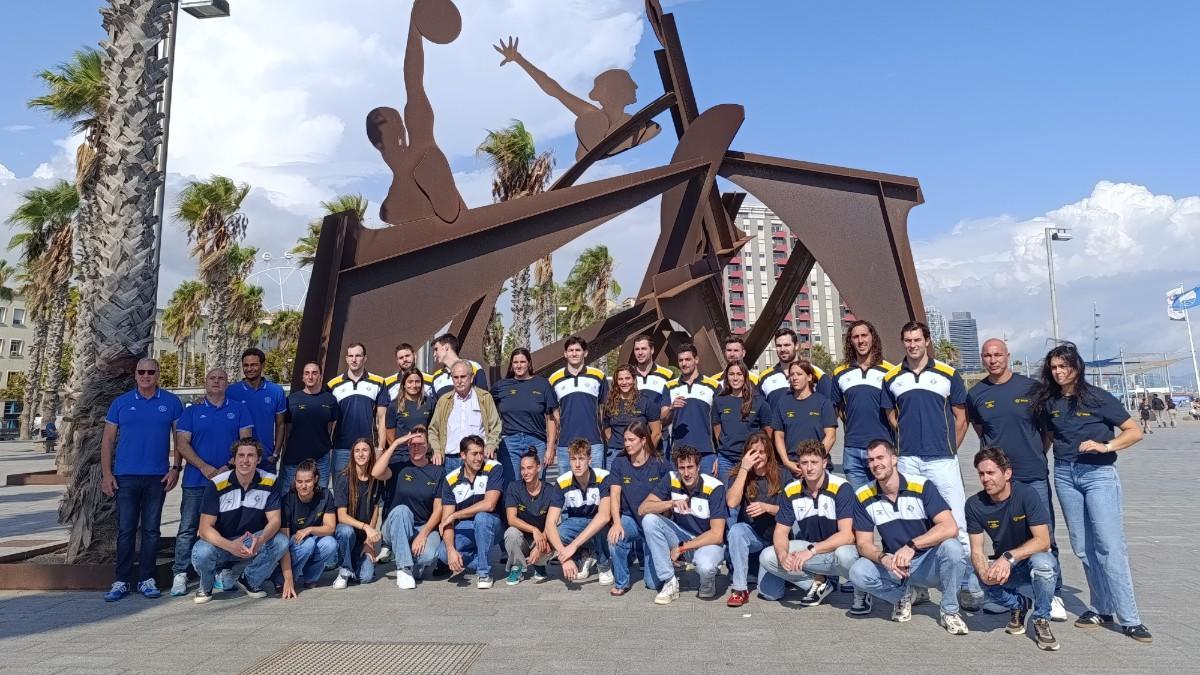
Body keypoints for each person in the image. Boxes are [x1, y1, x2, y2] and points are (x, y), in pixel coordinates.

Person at [1033, 342, 1151, 643]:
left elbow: (1134, 431)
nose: (1059, 372)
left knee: (1110, 547)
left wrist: (1106, 446)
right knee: (1083, 546)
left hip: (1098, 475)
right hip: (1065, 474)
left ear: (1077, 368)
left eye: (1064, 366)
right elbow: (1048, 436)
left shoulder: (1098, 398)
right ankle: (1101, 607)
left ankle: (1130, 618)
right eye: (1054, 367)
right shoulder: (1050, 402)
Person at [882, 321, 981, 610]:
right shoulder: (892, 378)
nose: (913, 345)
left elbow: (961, 418)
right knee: (913, 523)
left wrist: (950, 448)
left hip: (942, 460)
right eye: (908, 340)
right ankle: (917, 585)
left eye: (917, 339)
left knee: (957, 523)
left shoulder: (948, 374)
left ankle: (966, 585)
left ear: (927, 341)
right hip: (909, 459)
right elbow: (890, 414)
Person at [967, 338, 1066, 620]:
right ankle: (1008, 592)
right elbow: (982, 432)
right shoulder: (977, 394)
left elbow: (1046, 432)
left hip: (1031, 473)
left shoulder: (1032, 389)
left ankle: (1053, 594)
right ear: (982, 358)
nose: (993, 360)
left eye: (998, 354)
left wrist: (1034, 454)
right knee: (1003, 536)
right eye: (987, 355)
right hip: (998, 480)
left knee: (1044, 537)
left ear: (1007, 356)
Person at [848, 439, 969, 635]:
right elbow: (863, 545)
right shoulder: (863, 495)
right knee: (858, 572)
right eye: (871, 460)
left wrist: (912, 546)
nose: (875, 464)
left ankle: (950, 611)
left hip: (927, 561)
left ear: (894, 459)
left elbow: (950, 526)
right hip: (895, 564)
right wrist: (883, 558)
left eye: (880, 457)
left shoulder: (921, 486)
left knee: (953, 548)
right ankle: (902, 594)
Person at [493, 36, 660, 161]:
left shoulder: (637, 126)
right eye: (630, 83)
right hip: (592, 143)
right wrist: (519, 59)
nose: (636, 87)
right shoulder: (590, 117)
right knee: (592, 119)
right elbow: (555, 90)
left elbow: (654, 130)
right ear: (614, 90)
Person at [100, 358, 185, 601]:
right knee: (126, 530)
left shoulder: (171, 402)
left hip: (157, 478)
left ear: (158, 374)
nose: (146, 375)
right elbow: (107, 440)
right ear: (135, 375)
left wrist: (175, 469)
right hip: (125, 477)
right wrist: (107, 474)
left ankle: (147, 578)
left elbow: (179, 439)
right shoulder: (121, 403)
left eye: (151, 372)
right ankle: (122, 580)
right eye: (141, 372)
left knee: (151, 531)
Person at [965, 447, 1059, 651]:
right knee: (974, 585)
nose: (985, 479)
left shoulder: (1026, 494)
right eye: (981, 473)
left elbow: (1043, 541)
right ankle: (1019, 604)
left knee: (1043, 564)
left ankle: (1041, 618)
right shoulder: (974, 505)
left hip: (1032, 559)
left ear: (1007, 474)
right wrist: (983, 573)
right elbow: (976, 550)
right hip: (1007, 568)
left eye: (991, 473)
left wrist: (1008, 557)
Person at [172, 369, 254, 597]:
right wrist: (205, 468)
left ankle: (221, 570)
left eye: (221, 378)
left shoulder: (239, 409)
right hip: (196, 480)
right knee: (188, 527)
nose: (216, 382)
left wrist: (227, 468)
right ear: (205, 382)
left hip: (229, 482)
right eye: (212, 378)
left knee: (226, 528)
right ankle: (180, 572)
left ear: (227, 383)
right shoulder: (193, 411)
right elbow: (182, 444)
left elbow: (245, 441)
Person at [759, 439, 863, 611]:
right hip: (811, 550)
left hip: (837, 550)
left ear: (824, 462)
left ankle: (862, 591)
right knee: (768, 556)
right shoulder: (791, 490)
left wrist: (811, 551)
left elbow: (847, 535)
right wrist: (783, 554)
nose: (809, 468)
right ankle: (818, 584)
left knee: (845, 554)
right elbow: (781, 532)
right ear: (799, 465)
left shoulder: (842, 488)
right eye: (804, 463)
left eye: (814, 462)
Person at [190, 438, 288, 603]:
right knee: (201, 552)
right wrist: (231, 546)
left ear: (258, 460)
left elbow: (275, 520)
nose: (245, 460)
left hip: (251, 542)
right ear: (233, 460)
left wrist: (261, 539)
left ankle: (249, 580)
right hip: (221, 543)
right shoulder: (217, 484)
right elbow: (205, 528)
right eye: (241, 455)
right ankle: (206, 586)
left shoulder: (270, 481)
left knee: (281, 542)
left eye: (251, 455)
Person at [639, 445, 728, 604]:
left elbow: (717, 534)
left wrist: (681, 547)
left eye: (690, 467)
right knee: (649, 519)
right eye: (682, 467)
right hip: (682, 535)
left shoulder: (715, 487)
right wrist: (671, 503)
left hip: (707, 542)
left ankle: (708, 578)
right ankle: (669, 581)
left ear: (698, 467)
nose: (686, 473)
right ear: (677, 468)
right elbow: (643, 509)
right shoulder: (671, 478)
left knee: (706, 567)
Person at [374, 425, 445, 589]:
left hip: (423, 527)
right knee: (402, 510)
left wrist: (423, 534)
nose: (416, 448)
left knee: (428, 556)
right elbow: (376, 473)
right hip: (395, 526)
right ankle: (404, 568)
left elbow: (439, 509)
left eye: (420, 444)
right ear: (407, 446)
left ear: (427, 446)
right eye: (412, 444)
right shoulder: (399, 467)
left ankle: (411, 565)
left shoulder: (437, 472)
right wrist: (395, 443)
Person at [606, 421, 672, 596]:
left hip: (654, 524)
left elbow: (673, 493)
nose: (627, 444)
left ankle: (665, 558)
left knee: (652, 583)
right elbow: (614, 495)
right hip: (630, 519)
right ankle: (621, 582)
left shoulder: (660, 463)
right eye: (625, 440)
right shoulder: (619, 463)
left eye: (631, 440)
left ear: (643, 440)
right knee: (614, 537)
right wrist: (617, 523)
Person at [723, 431, 787, 607]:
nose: (757, 456)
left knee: (771, 594)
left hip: (777, 539)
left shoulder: (783, 474)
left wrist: (768, 508)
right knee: (736, 531)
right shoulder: (740, 474)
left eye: (761, 451)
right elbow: (732, 502)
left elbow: (793, 512)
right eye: (752, 452)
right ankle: (739, 589)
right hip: (753, 536)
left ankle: (777, 573)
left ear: (769, 453)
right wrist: (744, 469)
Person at [830, 320, 894, 490]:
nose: (860, 340)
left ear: (872, 337)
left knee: (886, 502)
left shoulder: (890, 372)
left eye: (864, 335)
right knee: (859, 506)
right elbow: (838, 408)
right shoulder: (840, 373)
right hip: (852, 450)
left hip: (882, 449)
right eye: (855, 337)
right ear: (850, 341)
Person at [438, 436, 505, 589]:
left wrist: (455, 515)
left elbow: (489, 504)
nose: (479, 458)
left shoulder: (494, 468)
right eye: (474, 454)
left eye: (481, 453)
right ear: (463, 455)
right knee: (442, 553)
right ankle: (481, 557)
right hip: (467, 526)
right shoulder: (450, 480)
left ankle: (484, 572)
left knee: (482, 517)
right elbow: (446, 520)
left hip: (493, 524)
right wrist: (451, 550)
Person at [546, 440, 613, 584]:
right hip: (577, 524)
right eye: (573, 459)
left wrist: (572, 546)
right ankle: (584, 555)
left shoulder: (604, 477)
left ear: (590, 459)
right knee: (557, 533)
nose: (577, 464)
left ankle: (604, 565)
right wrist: (564, 556)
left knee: (601, 524)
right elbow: (550, 524)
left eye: (581, 459)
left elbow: (604, 516)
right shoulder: (562, 481)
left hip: (601, 527)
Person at [272, 459, 338, 599]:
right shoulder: (287, 500)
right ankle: (283, 579)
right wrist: (288, 577)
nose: (303, 486)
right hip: (292, 544)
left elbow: (330, 528)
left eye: (307, 481)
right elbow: (283, 543)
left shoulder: (325, 495)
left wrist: (309, 529)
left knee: (330, 543)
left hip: (312, 537)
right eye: (299, 481)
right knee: (308, 544)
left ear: (316, 479)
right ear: (294, 480)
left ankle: (310, 577)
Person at [492, 348, 558, 481]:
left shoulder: (542, 384)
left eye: (522, 361)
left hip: (536, 442)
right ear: (511, 365)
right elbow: (485, 408)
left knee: (536, 485)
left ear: (529, 363)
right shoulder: (501, 386)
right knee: (511, 486)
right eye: (515, 362)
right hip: (509, 443)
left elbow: (552, 419)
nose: (519, 365)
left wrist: (550, 448)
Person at [327, 343, 389, 479]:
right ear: (346, 358)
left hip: (368, 448)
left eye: (358, 356)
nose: (354, 359)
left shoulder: (378, 382)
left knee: (367, 493)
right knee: (340, 492)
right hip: (342, 448)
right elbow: (329, 422)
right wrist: (328, 448)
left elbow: (382, 418)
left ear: (365, 358)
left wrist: (380, 448)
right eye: (351, 356)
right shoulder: (333, 385)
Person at [429, 360, 502, 474]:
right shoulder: (444, 401)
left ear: (471, 378)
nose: (459, 381)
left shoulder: (484, 397)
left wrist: (491, 445)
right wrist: (437, 450)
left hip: (478, 459)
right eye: (455, 377)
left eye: (463, 376)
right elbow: (433, 429)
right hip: (450, 461)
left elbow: (496, 426)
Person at [548, 336, 609, 472]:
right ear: (565, 354)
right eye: (570, 350)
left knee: (596, 487)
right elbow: (551, 416)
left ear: (585, 353)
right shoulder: (554, 379)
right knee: (566, 489)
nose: (574, 353)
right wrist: (551, 447)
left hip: (594, 443)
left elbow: (605, 411)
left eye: (578, 350)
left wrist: (607, 439)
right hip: (565, 445)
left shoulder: (598, 376)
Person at [332, 438, 384, 588]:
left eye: (365, 450)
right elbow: (341, 516)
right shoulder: (343, 478)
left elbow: (375, 510)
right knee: (346, 531)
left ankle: (354, 567)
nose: (361, 454)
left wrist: (370, 542)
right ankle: (344, 570)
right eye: (357, 450)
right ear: (352, 454)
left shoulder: (376, 479)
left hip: (363, 538)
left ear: (371, 454)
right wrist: (365, 527)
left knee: (366, 578)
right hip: (347, 535)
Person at [771, 361, 837, 476]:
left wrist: (814, 461)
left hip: (818, 465)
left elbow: (830, 436)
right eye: (792, 374)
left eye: (799, 374)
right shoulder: (783, 403)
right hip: (791, 467)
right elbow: (779, 436)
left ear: (809, 377)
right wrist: (786, 462)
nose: (794, 378)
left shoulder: (823, 402)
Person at [279, 362, 338, 491]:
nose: (310, 376)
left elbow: (329, 428)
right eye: (307, 373)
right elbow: (287, 431)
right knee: (288, 495)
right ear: (303, 377)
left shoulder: (330, 400)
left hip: (321, 458)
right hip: (294, 457)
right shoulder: (292, 400)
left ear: (321, 376)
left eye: (314, 373)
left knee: (321, 495)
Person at [226, 347, 288, 470]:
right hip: (238, 459)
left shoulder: (276, 391)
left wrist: (276, 454)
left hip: (266, 459)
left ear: (263, 365)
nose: (249, 369)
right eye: (246, 365)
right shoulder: (231, 391)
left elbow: (280, 424)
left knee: (267, 490)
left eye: (254, 365)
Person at [663, 343, 719, 470]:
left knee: (707, 489)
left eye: (688, 359)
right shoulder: (669, 387)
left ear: (696, 360)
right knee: (678, 490)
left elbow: (720, 423)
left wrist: (719, 455)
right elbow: (662, 420)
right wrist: (671, 408)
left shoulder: (713, 386)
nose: (684, 363)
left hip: (706, 452)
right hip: (678, 452)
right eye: (681, 360)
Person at [502, 449, 554, 585]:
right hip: (523, 539)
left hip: (543, 537)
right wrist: (534, 530)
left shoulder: (550, 490)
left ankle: (540, 563)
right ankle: (517, 566)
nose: (525, 472)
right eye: (522, 469)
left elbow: (553, 522)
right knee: (510, 533)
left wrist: (539, 545)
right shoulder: (514, 487)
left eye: (529, 468)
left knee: (554, 536)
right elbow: (511, 519)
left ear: (538, 467)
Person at [712, 361, 769, 481]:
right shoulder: (719, 401)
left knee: (750, 495)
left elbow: (768, 432)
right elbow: (718, 431)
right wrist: (722, 452)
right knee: (728, 496)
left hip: (751, 458)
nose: (735, 378)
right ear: (726, 377)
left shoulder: (759, 401)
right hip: (726, 459)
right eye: (731, 374)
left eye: (739, 374)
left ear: (745, 377)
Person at [758, 328, 833, 418]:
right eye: (778, 345)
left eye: (787, 345)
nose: (782, 349)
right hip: (777, 431)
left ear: (796, 345)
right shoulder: (764, 377)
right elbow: (761, 413)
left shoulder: (817, 374)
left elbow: (830, 411)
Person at [603, 364, 663, 465]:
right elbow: (607, 431)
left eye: (627, 378)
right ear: (616, 381)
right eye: (620, 379)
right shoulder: (610, 403)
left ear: (634, 380)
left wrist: (646, 453)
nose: (624, 382)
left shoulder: (645, 402)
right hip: (615, 454)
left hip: (639, 453)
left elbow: (656, 433)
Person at [429, 333, 487, 400]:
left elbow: (484, 399)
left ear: (446, 347)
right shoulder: (436, 376)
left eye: (436, 349)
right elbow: (437, 407)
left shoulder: (474, 367)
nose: (434, 354)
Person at [630, 334, 672, 406]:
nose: (640, 353)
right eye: (637, 349)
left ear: (652, 350)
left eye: (643, 349)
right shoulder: (628, 375)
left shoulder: (667, 375)